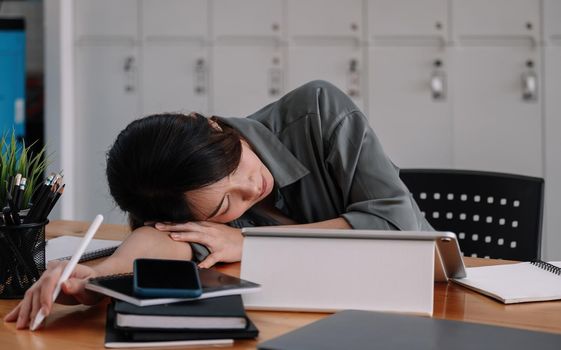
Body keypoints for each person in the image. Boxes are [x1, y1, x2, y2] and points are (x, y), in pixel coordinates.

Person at [4, 80, 432, 329]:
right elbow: (158, 240)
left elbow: (403, 231)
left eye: (235, 162)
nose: (252, 187)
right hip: (309, 317)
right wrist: (95, 276)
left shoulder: (318, 112)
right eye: (226, 202)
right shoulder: (190, 213)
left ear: (211, 127)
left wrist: (252, 244)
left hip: (411, 300)